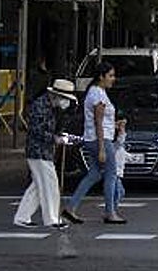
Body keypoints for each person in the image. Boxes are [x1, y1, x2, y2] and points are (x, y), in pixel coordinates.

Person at [63, 61, 125, 225]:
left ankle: (71, 207)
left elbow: (100, 121)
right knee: (111, 174)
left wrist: (114, 125)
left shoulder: (96, 92)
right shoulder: (98, 95)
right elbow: (98, 122)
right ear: (101, 76)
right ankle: (110, 212)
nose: (113, 79)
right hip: (100, 139)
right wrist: (102, 148)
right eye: (110, 75)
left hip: (93, 138)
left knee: (94, 174)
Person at [13, 78, 77, 229]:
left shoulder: (50, 106)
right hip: (38, 151)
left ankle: (22, 217)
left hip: (43, 151)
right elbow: (36, 130)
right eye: (64, 98)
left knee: (37, 186)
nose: (65, 102)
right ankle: (52, 219)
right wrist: (55, 139)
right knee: (50, 184)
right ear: (56, 95)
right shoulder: (40, 106)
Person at [113, 116, 128, 208]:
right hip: (115, 171)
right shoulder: (115, 145)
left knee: (121, 192)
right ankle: (113, 207)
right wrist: (121, 128)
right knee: (118, 191)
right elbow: (121, 139)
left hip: (118, 171)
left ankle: (113, 207)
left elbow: (123, 153)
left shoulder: (120, 147)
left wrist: (131, 157)